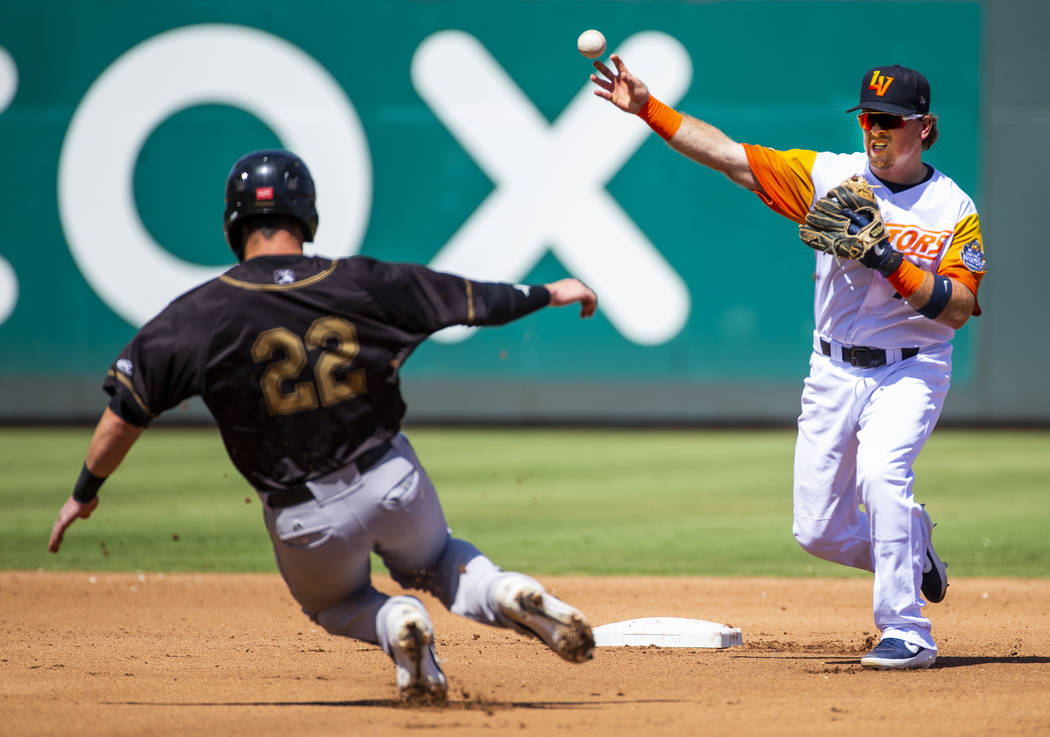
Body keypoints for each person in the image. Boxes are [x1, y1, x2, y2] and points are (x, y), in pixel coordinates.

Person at [48, 149, 598, 701]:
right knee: (437, 562)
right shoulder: (360, 281)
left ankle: (395, 622)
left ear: (232, 223)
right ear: (306, 215)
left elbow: (125, 414)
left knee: (334, 605)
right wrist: (550, 293)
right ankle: (506, 590)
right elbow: (474, 301)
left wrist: (85, 492)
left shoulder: (200, 314)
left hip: (303, 517)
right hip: (392, 480)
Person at [591, 60, 985, 669]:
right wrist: (648, 108)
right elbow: (731, 158)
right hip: (830, 369)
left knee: (882, 477)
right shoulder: (831, 177)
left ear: (925, 128)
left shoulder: (952, 208)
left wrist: (887, 258)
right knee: (817, 531)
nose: (875, 132)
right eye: (868, 120)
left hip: (910, 367)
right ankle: (912, 543)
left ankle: (907, 629)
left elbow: (957, 307)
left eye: (889, 121)